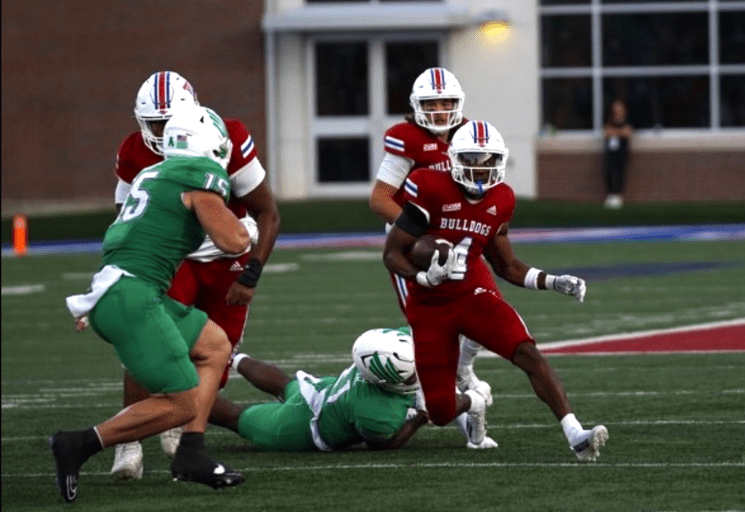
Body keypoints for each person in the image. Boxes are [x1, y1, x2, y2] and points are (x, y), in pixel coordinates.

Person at [52, 106, 249, 502]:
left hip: (121, 289)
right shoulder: (199, 173)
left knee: (214, 346)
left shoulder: (151, 173)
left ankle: (191, 453)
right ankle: (79, 444)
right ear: (207, 142)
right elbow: (234, 242)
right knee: (181, 401)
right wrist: (248, 231)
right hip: (134, 296)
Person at [382, 120, 609, 461]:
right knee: (441, 411)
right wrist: (424, 277)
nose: (481, 169)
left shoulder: (501, 199)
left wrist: (551, 281)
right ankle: (475, 400)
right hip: (429, 307)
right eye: (473, 159)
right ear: (455, 160)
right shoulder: (429, 186)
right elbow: (392, 254)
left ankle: (575, 432)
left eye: (488, 160)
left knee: (527, 352)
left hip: (471, 295)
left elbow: (507, 266)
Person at [110, 71, 281, 479]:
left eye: (173, 121)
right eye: (156, 124)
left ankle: (184, 433)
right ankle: (127, 439)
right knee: (145, 342)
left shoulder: (227, 137)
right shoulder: (135, 150)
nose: (165, 132)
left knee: (215, 356)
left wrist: (251, 273)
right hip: (175, 258)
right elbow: (125, 215)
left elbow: (267, 212)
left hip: (228, 258)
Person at [367, 67, 491, 406]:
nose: (439, 110)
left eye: (446, 102)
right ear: (417, 105)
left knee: (482, 305)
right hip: (411, 245)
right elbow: (380, 198)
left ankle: (463, 369)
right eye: (431, 103)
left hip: (456, 239)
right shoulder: (406, 137)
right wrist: (418, 231)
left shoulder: (469, 134)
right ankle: (436, 392)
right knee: (426, 320)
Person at [208, 327, 497, 451]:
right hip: (301, 426)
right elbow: (383, 444)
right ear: (386, 383)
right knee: (235, 417)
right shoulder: (376, 411)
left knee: (286, 383)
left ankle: (232, 356)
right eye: (411, 377)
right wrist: (421, 417)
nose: (419, 374)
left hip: (322, 390)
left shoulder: (390, 350)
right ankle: (184, 401)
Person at [603, 100, 633, 209]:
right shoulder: (609, 120)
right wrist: (620, 132)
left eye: (619, 107)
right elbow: (607, 132)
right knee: (608, 171)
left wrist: (615, 132)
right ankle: (610, 195)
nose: (617, 109)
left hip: (622, 151)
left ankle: (618, 196)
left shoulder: (627, 120)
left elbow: (628, 133)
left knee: (619, 172)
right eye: (615, 107)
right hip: (611, 150)